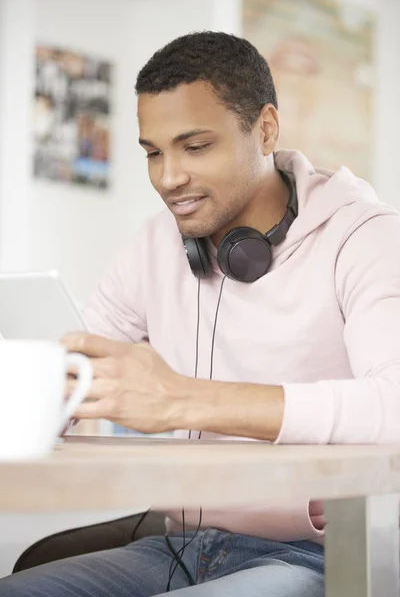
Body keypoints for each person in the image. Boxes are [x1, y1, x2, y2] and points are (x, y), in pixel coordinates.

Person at [2, 30, 400, 597]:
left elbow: (394, 402)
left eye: (194, 147)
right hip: (177, 545)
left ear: (264, 129)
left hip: (319, 557)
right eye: (153, 153)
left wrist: (182, 398)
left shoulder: (364, 235)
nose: (167, 178)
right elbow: (74, 366)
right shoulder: (155, 245)